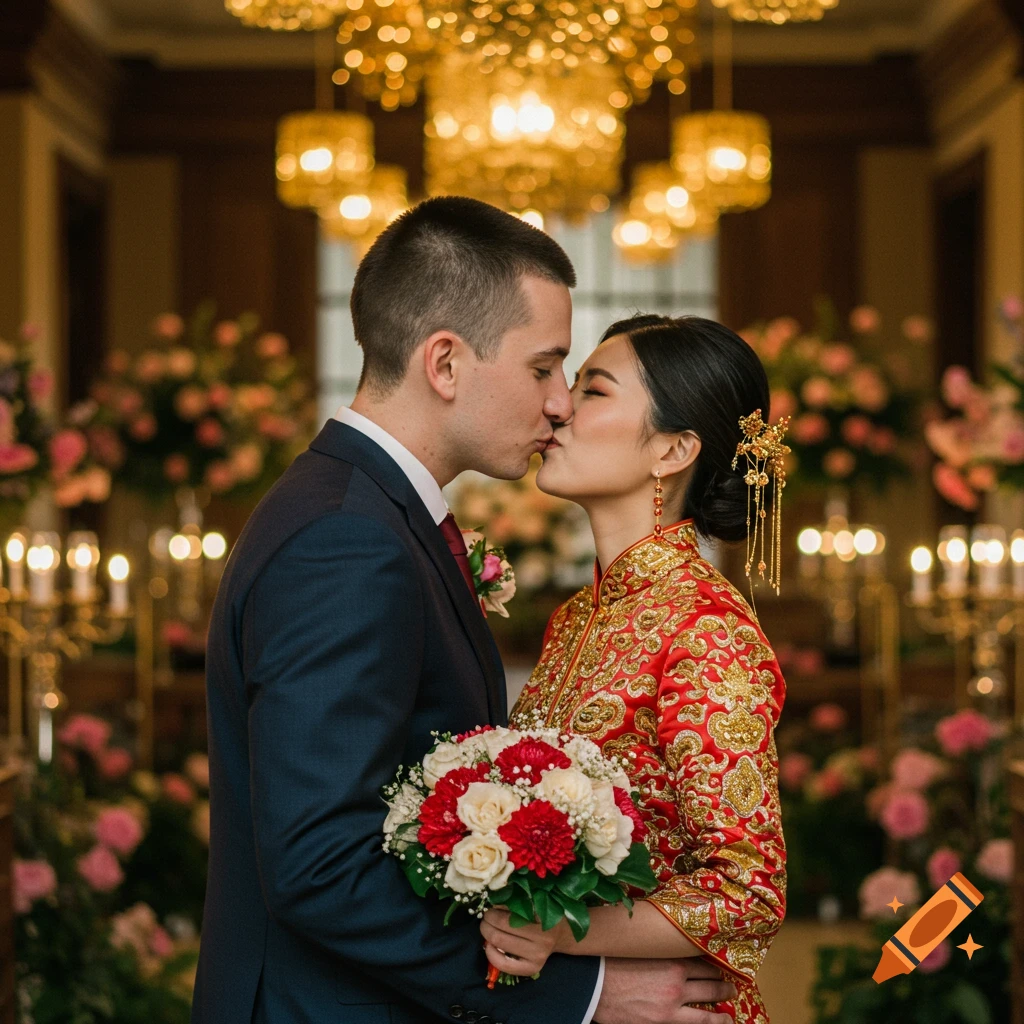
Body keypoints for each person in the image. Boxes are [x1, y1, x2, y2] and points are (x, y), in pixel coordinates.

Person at [193, 200, 739, 1024]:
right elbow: (321, 865)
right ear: (445, 363)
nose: (559, 403)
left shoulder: (369, 514)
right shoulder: (349, 540)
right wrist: (580, 994)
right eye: (543, 368)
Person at [482, 314, 788, 1024]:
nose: (558, 406)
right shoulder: (576, 617)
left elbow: (749, 890)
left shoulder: (706, 627)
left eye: (593, 390)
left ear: (673, 449)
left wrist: (560, 931)